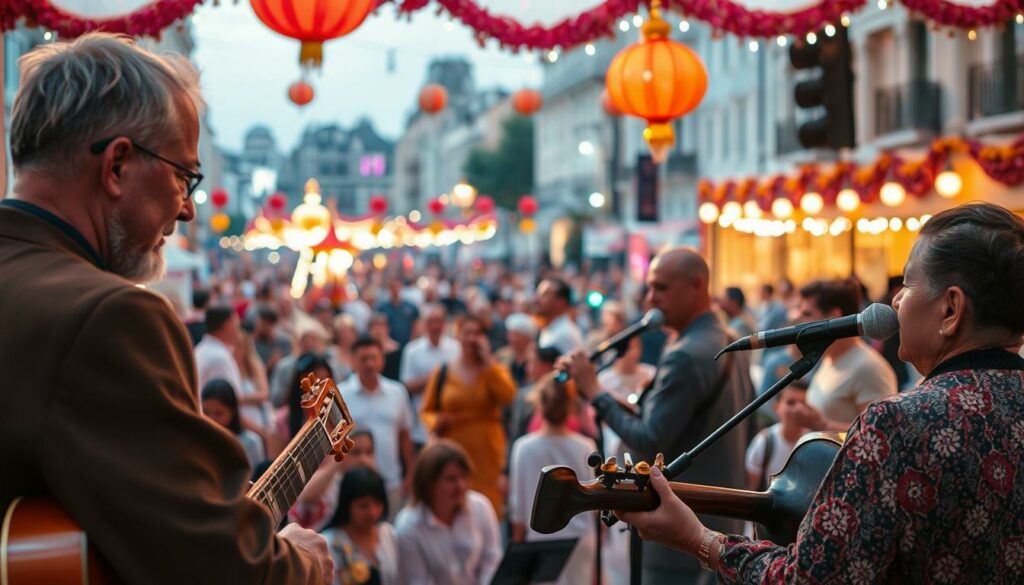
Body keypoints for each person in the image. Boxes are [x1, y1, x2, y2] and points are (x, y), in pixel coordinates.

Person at [0, 33, 331, 582]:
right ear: (117, 166)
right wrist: (302, 562)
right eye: (184, 177)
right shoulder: (110, 319)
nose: (187, 213)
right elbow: (222, 568)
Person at [617, 202, 1024, 584]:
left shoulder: (899, 424)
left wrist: (699, 539)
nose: (896, 299)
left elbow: (809, 578)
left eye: (908, 283)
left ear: (951, 310)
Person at [562, 247, 754, 584]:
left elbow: (650, 439)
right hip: (720, 522)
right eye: (649, 288)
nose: (650, 298)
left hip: (679, 530)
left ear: (697, 286)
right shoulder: (726, 340)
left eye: (661, 288)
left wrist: (595, 392)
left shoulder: (686, 354)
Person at [421, 315, 517, 516]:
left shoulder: (494, 368)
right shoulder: (444, 371)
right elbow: (427, 410)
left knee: (488, 508)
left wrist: (488, 363)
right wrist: (437, 422)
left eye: (477, 333)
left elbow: (508, 395)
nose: (472, 338)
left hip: (487, 452)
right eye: (468, 333)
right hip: (454, 447)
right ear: (458, 336)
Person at [508, 378, 598, 585]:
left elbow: (519, 509)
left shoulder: (523, 448)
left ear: (539, 405)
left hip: (541, 540)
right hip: (580, 540)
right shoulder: (585, 446)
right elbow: (594, 505)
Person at [790, 279, 898, 432]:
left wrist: (822, 425)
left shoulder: (868, 367)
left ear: (834, 317)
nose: (798, 320)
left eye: (807, 314)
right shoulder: (829, 358)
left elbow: (880, 434)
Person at [395, 440, 502, 585]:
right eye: (451, 479)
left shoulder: (480, 507)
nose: (461, 486)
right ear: (429, 483)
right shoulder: (408, 526)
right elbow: (418, 580)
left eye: (464, 477)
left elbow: (492, 559)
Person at [338, 336, 417, 518]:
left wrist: (410, 473)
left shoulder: (397, 392)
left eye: (374, 358)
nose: (369, 364)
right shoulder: (341, 394)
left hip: (391, 480)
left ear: (382, 360)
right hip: (353, 482)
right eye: (363, 359)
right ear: (353, 361)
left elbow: (405, 436)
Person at [321, 466, 399, 585]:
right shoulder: (329, 543)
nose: (372, 512)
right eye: (363, 506)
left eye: (377, 503)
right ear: (347, 505)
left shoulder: (387, 533)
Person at [400, 303, 460, 449]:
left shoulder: (456, 348)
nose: (434, 326)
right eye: (430, 322)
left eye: (438, 322)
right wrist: (434, 378)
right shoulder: (412, 350)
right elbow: (407, 385)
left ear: (445, 324)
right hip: (421, 426)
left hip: (452, 424)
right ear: (423, 324)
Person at [744, 381, 809, 492]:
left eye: (804, 403)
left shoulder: (814, 443)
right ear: (777, 408)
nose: (798, 409)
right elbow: (751, 489)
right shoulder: (764, 442)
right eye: (791, 403)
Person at [201, 379, 266, 468]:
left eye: (219, 413)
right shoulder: (196, 444)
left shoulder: (248, 443)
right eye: (206, 412)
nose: (212, 419)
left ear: (232, 411)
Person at [195, 304, 245, 394]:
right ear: (228, 325)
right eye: (237, 324)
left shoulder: (201, 349)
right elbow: (230, 398)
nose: (239, 330)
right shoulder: (219, 357)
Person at [536, 277, 584, 354]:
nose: (537, 300)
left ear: (561, 302)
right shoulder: (548, 329)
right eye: (538, 294)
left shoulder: (565, 334)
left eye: (545, 295)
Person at [495, 312, 538, 388]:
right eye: (510, 334)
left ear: (526, 337)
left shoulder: (536, 357)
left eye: (515, 334)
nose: (511, 338)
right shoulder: (502, 355)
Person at [378, 278, 420, 348]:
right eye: (392, 287)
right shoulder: (382, 308)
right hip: (390, 346)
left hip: (407, 343)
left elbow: (415, 325)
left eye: (396, 286)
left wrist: (412, 342)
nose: (395, 289)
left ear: (401, 287)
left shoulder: (411, 306)